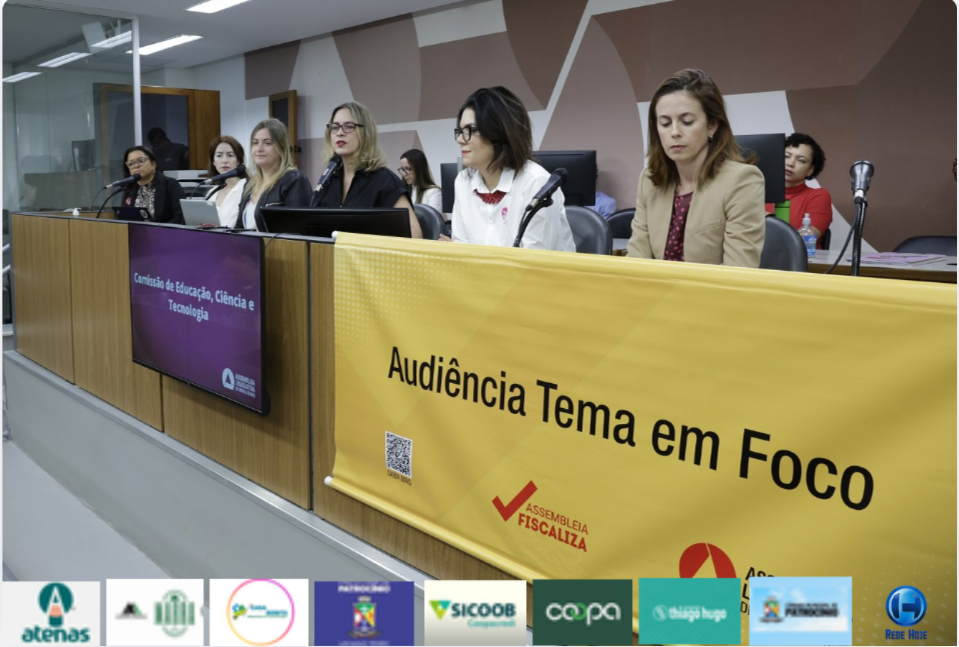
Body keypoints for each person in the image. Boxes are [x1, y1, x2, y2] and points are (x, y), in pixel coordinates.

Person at [626, 69, 765, 267]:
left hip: (713, 288)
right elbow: (636, 260)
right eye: (665, 123)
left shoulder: (742, 180)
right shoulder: (649, 179)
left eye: (687, 122)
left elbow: (738, 271)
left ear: (711, 125)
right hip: (655, 287)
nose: (675, 132)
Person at [452, 86, 575, 251]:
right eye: (460, 131)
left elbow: (536, 260)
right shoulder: (463, 181)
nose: (460, 139)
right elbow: (461, 248)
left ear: (500, 132)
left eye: (470, 130)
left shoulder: (535, 182)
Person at [311, 102, 422, 238]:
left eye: (349, 126)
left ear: (365, 133)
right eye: (334, 127)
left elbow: (415, 234)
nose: (339, 133)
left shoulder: (385, 182)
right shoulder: (328, 181)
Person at [237, 118, 312, 231]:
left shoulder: (294, 180)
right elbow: (239, 227)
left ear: (281, 148)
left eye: (267, 143)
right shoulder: (250, 184)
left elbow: (298, 229)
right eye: (255, 143)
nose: (259, 148)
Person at [765, 133, 832, 249]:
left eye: (801, 160)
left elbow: (807, 239)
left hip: (797, 258)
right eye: (786, 156)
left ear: (810, 170)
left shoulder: (818, 196)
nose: (790, 163)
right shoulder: (756, 192)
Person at [120, 145, 185, 224]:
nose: (136, 166)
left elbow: (180, 216)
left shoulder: (170, 185)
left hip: (165, 231)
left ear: (153, 164)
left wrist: (159, 230)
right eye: (131, 164)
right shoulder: (129, 189)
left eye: (141, 161)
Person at [204, 135, 246, 228]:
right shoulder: (212, 193)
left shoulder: (246, 188)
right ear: (213, 162)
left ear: (238, 160)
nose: (224, 161)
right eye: (219, 155)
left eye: (230, 155)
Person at [398, 149, 443, 214]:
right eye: (402, 169)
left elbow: (431, 218)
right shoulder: (403, 192)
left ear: (419, 169)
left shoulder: (434, 192)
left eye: (408, 169)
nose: (404, 174)